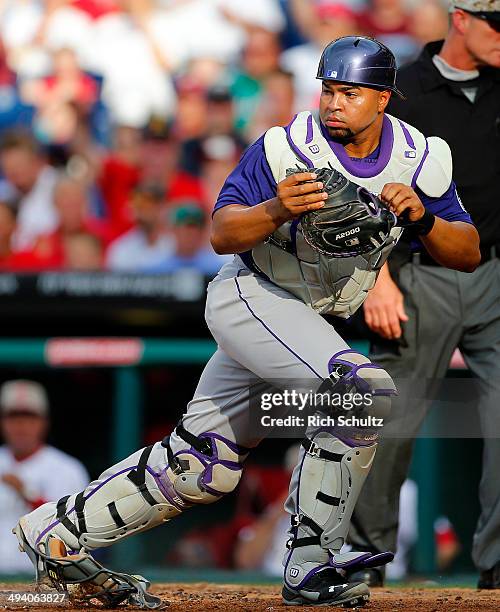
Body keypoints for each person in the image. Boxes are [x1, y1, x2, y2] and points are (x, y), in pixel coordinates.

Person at [14, 36, 479, 608]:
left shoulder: (421, 155)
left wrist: (426, 218)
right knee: (360, 392)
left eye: (349, 93)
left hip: (309, 319)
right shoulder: (286, 147)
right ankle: (311, 565)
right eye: (328, 89)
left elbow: (467, 252)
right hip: (253, 295)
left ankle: (52, 536)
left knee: (200, 466)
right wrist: (275, 208)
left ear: (383, 98)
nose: (333, 103)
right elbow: (220, 233)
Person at [349, 1, 500, 590]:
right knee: (388, 425)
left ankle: (496, 568)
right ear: (461, 18)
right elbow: (355, 182)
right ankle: (365, 558)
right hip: (414, 271)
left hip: (492, 270)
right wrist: (376, 276)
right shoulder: (403, 88)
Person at [0, 379, 89, 574]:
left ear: (44, 422)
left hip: (44, 579)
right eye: (13, 417)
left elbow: (74, 533)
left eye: (29, 417)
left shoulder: (67, 469)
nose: (21, 425)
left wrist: (28, 493)